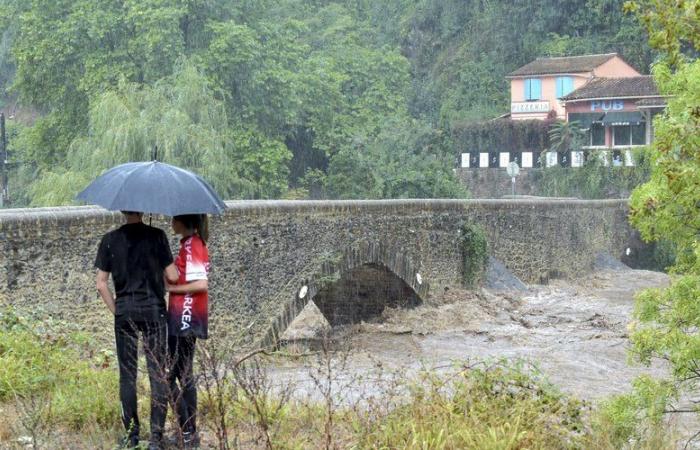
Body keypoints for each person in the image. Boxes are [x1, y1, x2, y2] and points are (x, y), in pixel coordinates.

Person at [95, 211, 178, 450]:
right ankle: (156, 437)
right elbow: (172, 276)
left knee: (128, 375)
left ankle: (131, 436)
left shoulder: (109, 239)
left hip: (125, 312)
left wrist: (117, 310)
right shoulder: (158, 236)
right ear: (143, 210)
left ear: (122, 210)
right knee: (157, 373)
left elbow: (101, 284)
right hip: (153, 311)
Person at [166, 214, 210, 448]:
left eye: (174, 219)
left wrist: (172, 288)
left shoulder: (193, 244)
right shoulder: (189, 244)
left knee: (176, 375)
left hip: (186, 316)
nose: (171, 223)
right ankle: (188, 431)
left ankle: (189, 432)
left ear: (183, 221)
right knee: (179, 374)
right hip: (182, 316)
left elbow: (201, 284)